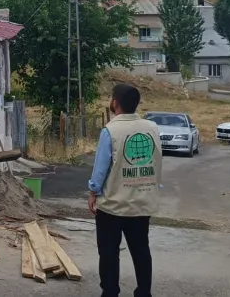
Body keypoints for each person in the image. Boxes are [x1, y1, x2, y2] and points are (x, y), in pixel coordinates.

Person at [88, 83, 162, 297]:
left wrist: (93, 192)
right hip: (142, 202)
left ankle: (110, 292)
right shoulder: (152, 128)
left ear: (115, 103)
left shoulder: (110, 130)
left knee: (109, 252)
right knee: (141, 250)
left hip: (113, 205)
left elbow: (101, 168)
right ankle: (144, 292)